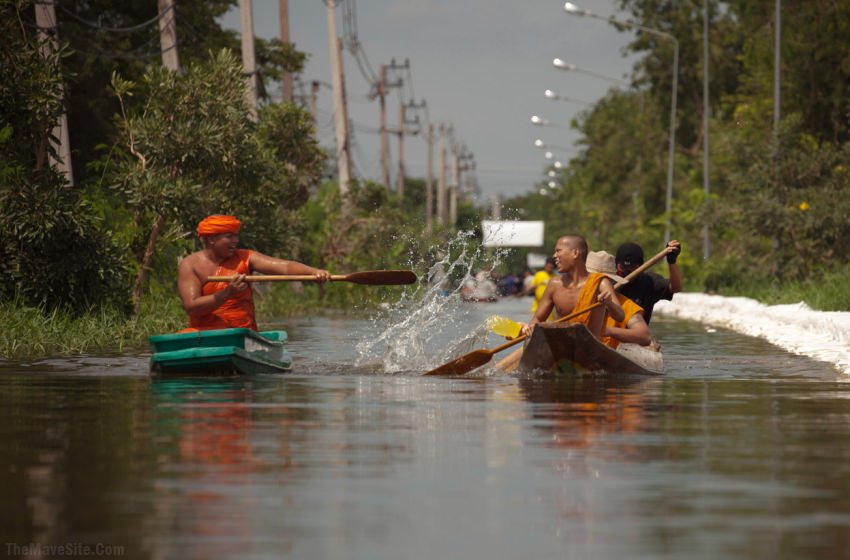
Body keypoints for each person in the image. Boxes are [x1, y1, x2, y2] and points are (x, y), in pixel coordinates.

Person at [178, 215, 330, 331]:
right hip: (204, 334)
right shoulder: (190, 265)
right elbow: (192, 307)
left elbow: (285, 267)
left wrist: (314, 272)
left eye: (236, 236)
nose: (235, 241)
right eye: (229, 236)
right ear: (211, 239)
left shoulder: (246, 257)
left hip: (241, 333)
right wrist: (227, 293)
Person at [521, 236, 624, 340]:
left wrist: (609, 303)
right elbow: (538, 318)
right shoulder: (554, 284)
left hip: (590, 348)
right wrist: (531, 327)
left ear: (575, 253)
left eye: (558, 251)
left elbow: (620, 316)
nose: (554, 256)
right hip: (561, 345)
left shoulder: (600, 283)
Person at [585, 250, 652, 349]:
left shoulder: (624, 304)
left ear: (610, 281)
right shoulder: (573, 295)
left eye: (598, 280)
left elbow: (644, 336)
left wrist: (607, 330)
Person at [615, 240, 682, 324]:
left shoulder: (649, 282)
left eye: (632, 268)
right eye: (623, 267)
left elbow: (676, 288)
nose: (627, 272)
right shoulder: (606, 282)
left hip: (636, 334)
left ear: (641, 266)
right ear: (616, 265)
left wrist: (672, 261)